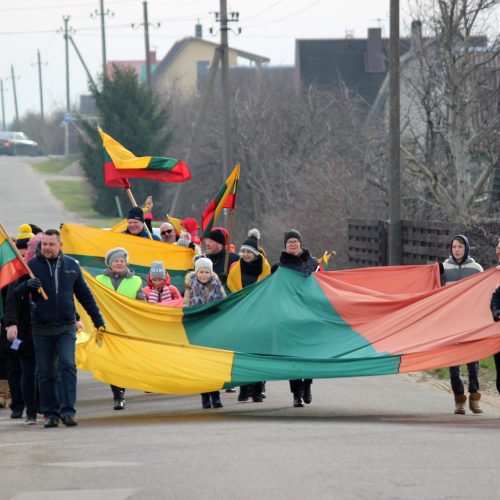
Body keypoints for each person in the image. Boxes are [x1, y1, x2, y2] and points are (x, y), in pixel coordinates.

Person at [15, 229, 105, 428]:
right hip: (40, 328)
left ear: (60, 245)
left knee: (67, 366)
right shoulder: (32, 266)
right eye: (44, 244)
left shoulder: (71, 266)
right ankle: (50, 414)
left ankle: (68, 412)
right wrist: (28, 285)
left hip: (65, 327)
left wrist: (98, 320)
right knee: (45, 373)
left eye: (51, 244)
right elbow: (16, 294)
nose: (46, 248)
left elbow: (85, 295)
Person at [273, 229, 319, 408]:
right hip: (288, 318)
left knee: (310, 355)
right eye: (289, 241)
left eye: (295, 241)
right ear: (285, 245)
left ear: (300, 243)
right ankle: (296, 393)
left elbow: (324, 287)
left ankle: (307, 384)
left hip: (309, 316)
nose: (293, 244)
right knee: (292, 357)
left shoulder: (313, 264)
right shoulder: (278, 268)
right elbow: (273, 292)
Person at [96, 247, 145, 410]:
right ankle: (118, 395)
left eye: (122, 261)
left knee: (123, 362)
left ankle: (120, 393)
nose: (119, 263)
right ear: (110, 263)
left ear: (126, 263)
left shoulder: (136, 280)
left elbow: (142, 304)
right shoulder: (99, 279)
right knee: (112, 362)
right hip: (106, 327)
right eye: (116, 261)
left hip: (126, 328)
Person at [227, 229, 271, 403]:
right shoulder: (235, 270)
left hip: (261, 316)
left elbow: (269, 291)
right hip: (241, 317)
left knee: (259, 353)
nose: (245, 255)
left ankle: (258, 389)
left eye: (248, 252)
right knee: (242, 352)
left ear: (255, 253)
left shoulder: (266, 269)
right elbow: (230, 290)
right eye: (243, 251)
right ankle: (244, 388)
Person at [442, 234, 484, 414]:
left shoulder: (476, 269)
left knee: (473, 361)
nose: (457, 250)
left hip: (470, 321)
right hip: (451, 322)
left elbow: (483, 292)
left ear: (466, 248)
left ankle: (474, 397)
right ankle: (459, 399)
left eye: (460, 246)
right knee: (454, 361)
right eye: (454, 247)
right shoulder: (444, 268)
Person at [4, 225, 38, 423]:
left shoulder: (32, 270)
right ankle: (18, 406)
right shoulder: (12, 270)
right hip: (14, 329)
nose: (26, 254)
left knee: (37, 369)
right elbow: (10, 300)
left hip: (35, 328)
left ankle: (38, 405)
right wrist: (10, 324)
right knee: (17, 367)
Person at [183, 256, 226, 409]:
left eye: (206, 272)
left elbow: (223, 303)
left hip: (213, 328)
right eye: (201, 272)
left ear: (211, 273)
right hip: (198, 328)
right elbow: (186, 305)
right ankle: (205, 396)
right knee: (201, 364)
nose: (203, 275)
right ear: (196, 272)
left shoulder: (216, 285)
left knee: (214, 364)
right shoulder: (190, 286)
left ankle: (216, 395)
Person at [488, 237, 500, 396]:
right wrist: (497, 312)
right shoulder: (493, 274)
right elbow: (495, 300)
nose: (498, 250)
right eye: (498, 246)